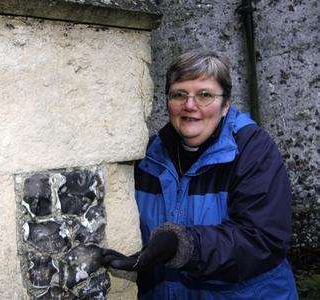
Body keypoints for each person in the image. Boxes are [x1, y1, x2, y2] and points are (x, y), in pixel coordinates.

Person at [102, 50, 298, 299]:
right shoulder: (147, 157)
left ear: (225, 104)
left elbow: (262, 239)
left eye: (204, 95)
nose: (190, 105)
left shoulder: (253, 151)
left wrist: (183, 245)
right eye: (179, 95)